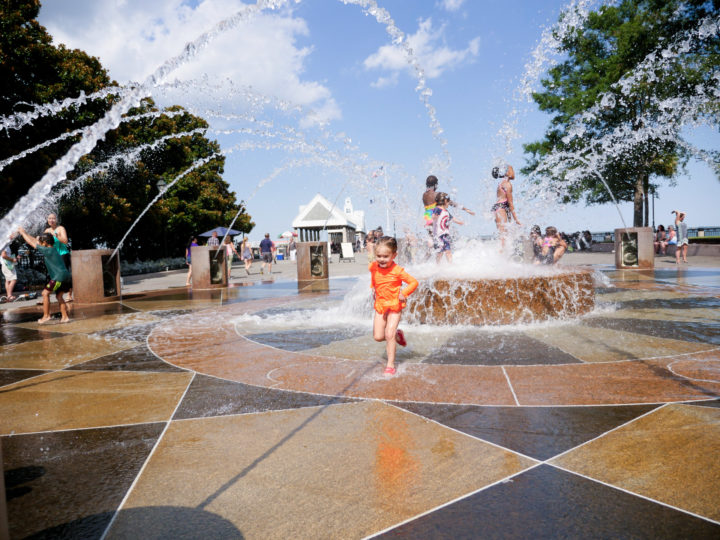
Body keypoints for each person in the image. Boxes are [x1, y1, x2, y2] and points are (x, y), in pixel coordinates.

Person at [369, 236, 419, 376]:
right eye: (379, 256)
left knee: (388, 334)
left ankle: (390, 365)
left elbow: (414, 282)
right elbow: (374, 277)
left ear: (394, 255)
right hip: (380, 304)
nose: (382, 259)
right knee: (378, 336)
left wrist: (405, 293)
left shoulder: (398, 271)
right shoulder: (373, 267)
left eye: (386, 256)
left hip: (395, 305)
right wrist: (373, 287)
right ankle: (398, 335)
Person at [17, 227, 71, 324]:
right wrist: (25, 233)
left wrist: (22, 233)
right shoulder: (52, 249)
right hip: (66, 276)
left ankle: (46, 316)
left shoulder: (48, 251)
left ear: (45, 243)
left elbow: (32, 243)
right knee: (59, 296)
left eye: (41, 242)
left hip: (58, 277)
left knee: (44, 293)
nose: (40, 243)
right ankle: (65, 317)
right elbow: (35, 241)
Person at [423, 175, 474, 245]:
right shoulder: (437, 194)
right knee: (446, 235)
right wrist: (465, 209)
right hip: (436, 216)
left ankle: (429, 254)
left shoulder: (424, 195)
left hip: (428, 217)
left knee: (433, 239)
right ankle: (450, 251)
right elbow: (451, 203)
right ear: (435, 185)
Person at [491, 165, 521, 250]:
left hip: (500, 208)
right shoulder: (507, 184)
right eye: (511, 171)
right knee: (503, 236)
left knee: (504, 234)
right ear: (507, 173)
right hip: (501, 208)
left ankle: (503, 255)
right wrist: (516, 219)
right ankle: (500, 255)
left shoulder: (502, 183)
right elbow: (511, 203)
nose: (513, 173)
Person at [44, 213, 72, 301]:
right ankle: (54, 295)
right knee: (54, 276)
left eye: (53, 218)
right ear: (47, 220)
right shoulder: (46, 231)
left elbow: (65, 241)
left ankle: (69, 295)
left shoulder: (60, 228)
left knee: (65, 275)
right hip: (53, 257)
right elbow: (45, 244)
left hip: (63, 254)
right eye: (49, 218)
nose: (51, 220)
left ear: (56, 220)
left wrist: (55, 235)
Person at [432, 192, 464, 264]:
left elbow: (452, 218)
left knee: (448, 251)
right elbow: (433, 216)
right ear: (445, 201)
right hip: (438, 235)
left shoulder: (446, 211)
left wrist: (460, 222)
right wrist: (434, 217)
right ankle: (438, 266)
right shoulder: (438, 209)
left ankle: (450, 265)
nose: (449, 204)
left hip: (445, 235)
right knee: (440, 253)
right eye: (448, 202)